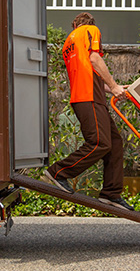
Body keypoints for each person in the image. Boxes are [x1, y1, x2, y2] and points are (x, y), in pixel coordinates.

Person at [45, 12, 134, 211]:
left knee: (114, 143)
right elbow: (95, 60)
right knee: (100, 143)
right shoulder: (90, 31)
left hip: (89, 97)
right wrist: (113, 84)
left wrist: (115, 88)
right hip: (89, 98)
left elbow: (89, 74)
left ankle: (111, 193)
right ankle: (58, 172)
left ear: (74, 24)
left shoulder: (69, 44)